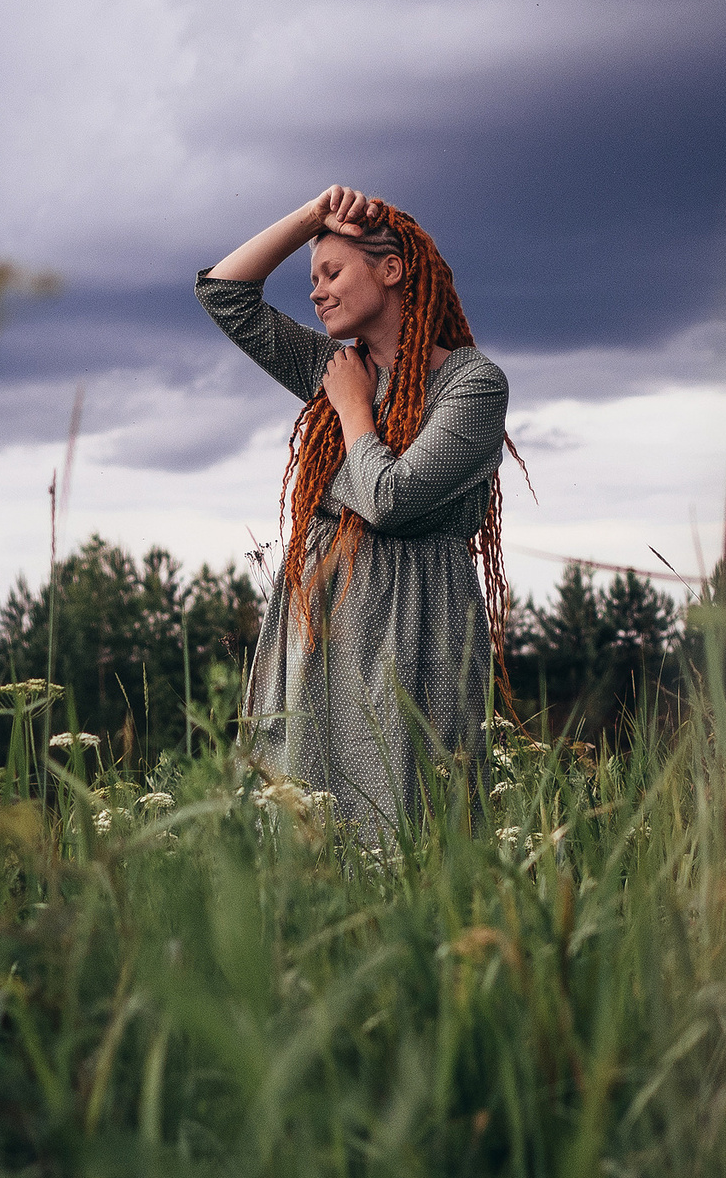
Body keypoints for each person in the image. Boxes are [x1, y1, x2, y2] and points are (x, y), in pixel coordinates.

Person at [197, 185, 513, 835]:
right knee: (303, 821)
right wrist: (313, 214)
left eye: (332, 271)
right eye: (312, 277)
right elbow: (224, 293)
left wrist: (348, 408)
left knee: (413, 824)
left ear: (392, 270)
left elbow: (389, 502)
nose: (314, 292)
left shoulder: (473, 384)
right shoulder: (332, 365)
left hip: (418, 623)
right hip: (319, 623)